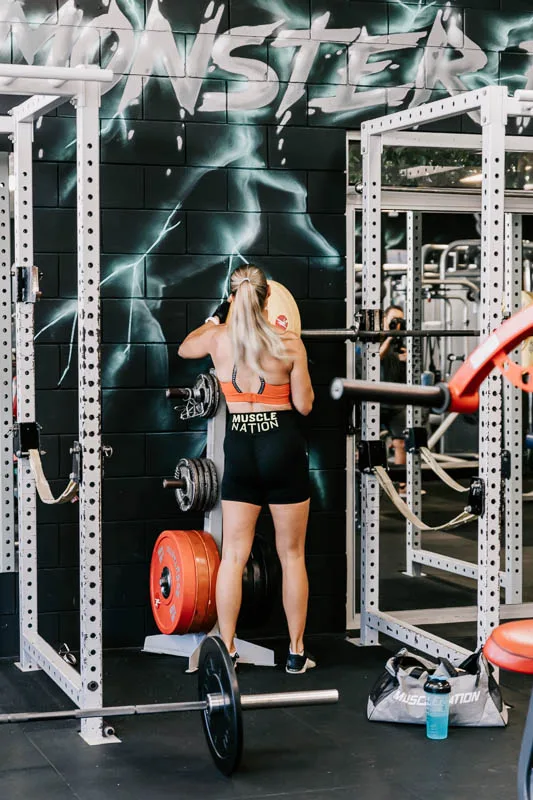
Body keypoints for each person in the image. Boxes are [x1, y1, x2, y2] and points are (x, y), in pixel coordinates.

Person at [178, 265, 316, 674]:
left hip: (241, 446)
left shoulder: (219, 339)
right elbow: (305, 405)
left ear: (233, 299)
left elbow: (187, 347)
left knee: (233, 554)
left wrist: (216, 317)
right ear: (266, 300)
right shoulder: (289, 343)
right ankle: (296, 653)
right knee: (291, 555)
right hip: (282, 447)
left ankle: (229, 649)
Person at [379, 304, 407, 467]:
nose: (396, 324)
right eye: (393, 320)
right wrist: (389, 337)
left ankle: (403, 486)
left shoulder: (403, 342)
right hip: (376, 399)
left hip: (396, 401)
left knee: (401, 443)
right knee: (370, 443)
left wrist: (408, 359)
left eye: (400, 321)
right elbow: (374, 358)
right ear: (384, 320)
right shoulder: (376, 338)